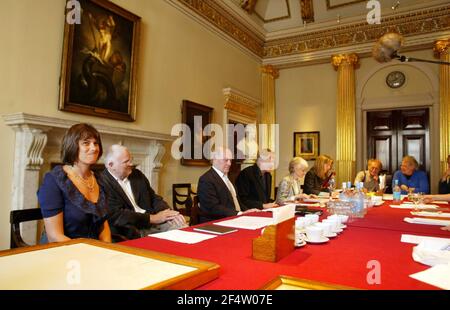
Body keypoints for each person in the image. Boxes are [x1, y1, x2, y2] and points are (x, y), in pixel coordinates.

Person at [37, 123, 111, 243]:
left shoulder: (100, 180)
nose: (94, 148)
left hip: (94, 251)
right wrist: (90, 254)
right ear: (72, 146)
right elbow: (54, 236)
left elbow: (104, 227)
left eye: (96, 143)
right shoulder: (54, 180)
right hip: (61, 251)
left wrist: (107, 249)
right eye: (86, 143)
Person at [100, 145, 185, 239]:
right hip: (132, 229)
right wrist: (152, 218)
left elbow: (153, 197)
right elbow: (117, 215)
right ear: (111, 165)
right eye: (126, 161)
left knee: (182, 227)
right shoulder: (102, 182)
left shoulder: (137, 174)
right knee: (176, 237)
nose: (131, 164)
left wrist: (167, 212)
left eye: (130, 159)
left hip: (151, 222)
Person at [197, 147, 259, 223]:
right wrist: (239, 214)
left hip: (235, 219)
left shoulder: (229, 178)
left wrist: (248, 211)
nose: (229, 163)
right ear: (215, 159)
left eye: (230, 160)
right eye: (226, 160)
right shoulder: (206, 179)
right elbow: (213, 207)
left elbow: (236, 202)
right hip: (216, 223)